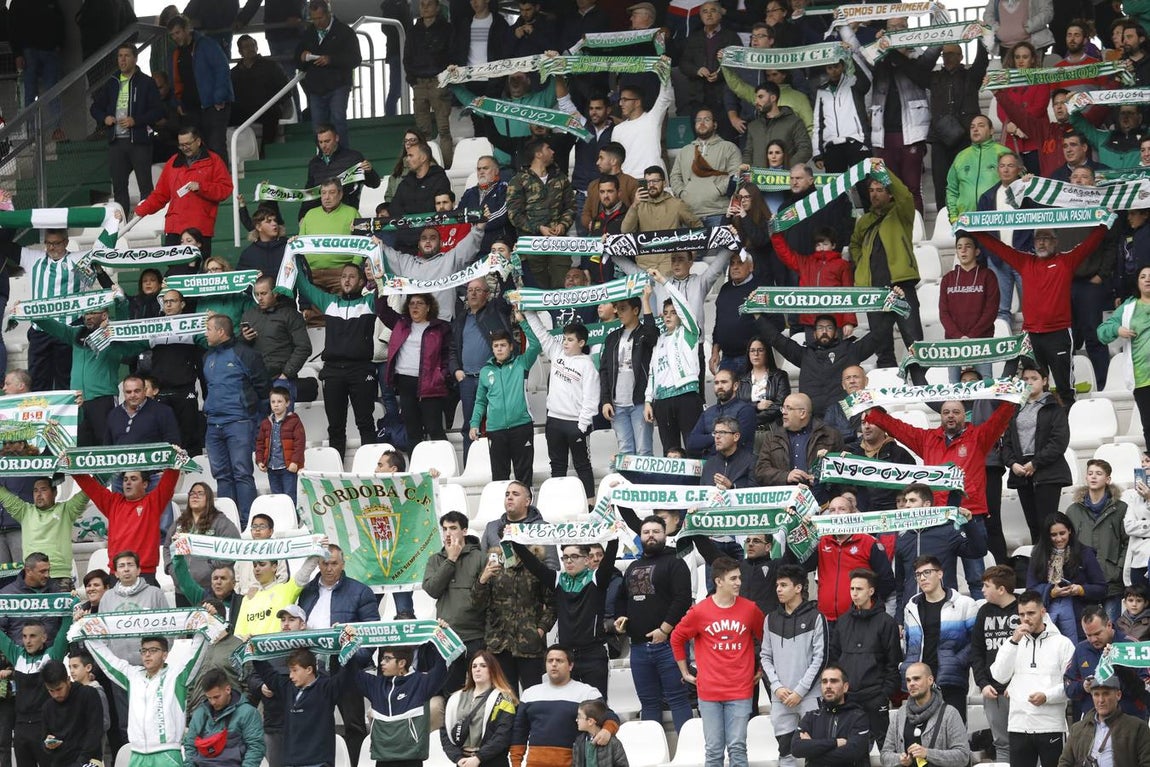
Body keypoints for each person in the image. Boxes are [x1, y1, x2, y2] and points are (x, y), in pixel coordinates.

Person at [864, 400, 1016, 585]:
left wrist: (1011, 399)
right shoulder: (927, 439)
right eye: (945, 412)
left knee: (976, 577)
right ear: (941, 416)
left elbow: (999, 421)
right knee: (939, 576)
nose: (950, 415)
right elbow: (899, 429)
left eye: (955, 412)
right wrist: (873, 413)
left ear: (964, 415)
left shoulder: (978, 437)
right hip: (937, 518)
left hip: (969, 515)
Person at [669, 555, 764, 767]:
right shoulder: (699, 611)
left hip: (740, 688)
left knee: (738, 747)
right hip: (709, 691)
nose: (739, 582)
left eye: (739, 577)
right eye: (733, 578)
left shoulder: (750, 609)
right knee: (713, 750)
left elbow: (766, 640)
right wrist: (684, 672)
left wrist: (762, 668)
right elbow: (676, 638)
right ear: (719, 581)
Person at [297, 545, 379, 764]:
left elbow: (371, 633)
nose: (329, 568)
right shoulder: (307, 591)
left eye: (334, 563)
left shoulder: (360, 591)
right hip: (313, 668)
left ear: (343, 564)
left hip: (346, 667)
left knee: (353, 725)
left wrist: (354, 659)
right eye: (324, 563)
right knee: (316, 724)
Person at [511, 538, 619, 699]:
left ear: (587, 559)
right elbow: (533, 564)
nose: (569, 561)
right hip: (567, 656)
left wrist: (614, 536)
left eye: (574, 557)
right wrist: (514, 540)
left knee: (597, 707)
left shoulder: (597, 578)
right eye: (565, 557)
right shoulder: (558, 580)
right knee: (569, 707)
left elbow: (610, 556)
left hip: (593, 654)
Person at [614, 514, 694, 731]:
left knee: (678, 700)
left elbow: (683, 599)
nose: (651, 536)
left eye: (656, 532)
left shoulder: (675, 562)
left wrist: (664, 630)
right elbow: (622, 596)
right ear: (640, 536)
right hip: (638, 647)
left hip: (669, 645)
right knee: (648, 703)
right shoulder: (632, 567)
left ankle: (687, 754)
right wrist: (621, 616)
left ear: (665, 534)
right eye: (646, 532)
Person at [87, 632, 213, 767]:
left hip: (167, 753)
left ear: (165, 654)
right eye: (144, 651)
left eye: (153, 650)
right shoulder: (133, 676)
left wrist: (204, 625)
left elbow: (196, 653)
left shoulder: (176, 675)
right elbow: (108, 660)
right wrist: (86, 633)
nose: (147, 654)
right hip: (138, 754)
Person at [292, 263, 378, 456]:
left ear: (362, 282)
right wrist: (294, 254)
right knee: (335, 426)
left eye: (352, 277)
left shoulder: (370, 302)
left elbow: (388, 287)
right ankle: (336, 470)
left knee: (365, 422)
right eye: (343, 276)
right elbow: (302, 283)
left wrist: (378, 273)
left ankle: (371, 467)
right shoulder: (329, 302)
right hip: (333, 371)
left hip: (361, 370)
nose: (347, 280)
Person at [989, 590, 1075, 767]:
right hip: (1018, 725)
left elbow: (1072, 684)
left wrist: (1047, 696)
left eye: (1031, 613)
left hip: (1051, 725)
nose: (1026, 618)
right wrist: (1013, 642)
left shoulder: (1062, 643)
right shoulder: (1013, 642)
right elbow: (999, 676)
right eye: (1021, 614)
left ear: (1043, 612)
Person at [849, 169, 923, 368]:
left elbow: (905, 194)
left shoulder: (901, 212)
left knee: (915, 344)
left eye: (880, 189)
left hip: (901, 286)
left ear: (889, 193)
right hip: (874, 291)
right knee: (882, 349)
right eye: (871, 190)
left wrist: (883, 171)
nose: (874, 194)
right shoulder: (864, 221)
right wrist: (861, 262)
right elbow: (854, 244)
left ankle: (922, 388)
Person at [201, 314, 269, 525]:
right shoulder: (207, 357)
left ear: (221, 331)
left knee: (241, 472)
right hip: (213, 424)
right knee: (221, 474)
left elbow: (263, 387)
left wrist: (251, 414)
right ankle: (228, 523)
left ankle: (247, 522)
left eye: (209, 329)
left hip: (239, 421)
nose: (206, 333)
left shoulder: (245, 354)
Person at [523, 313, 598, 504]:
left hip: (575, 423)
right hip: (554, 421)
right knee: (557, 466)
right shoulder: (556, 353)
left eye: (570, 340)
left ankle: (590, 505)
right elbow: (541, 333)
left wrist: (582, 425)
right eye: (564, 339)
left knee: (582, 465)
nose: (565, 343)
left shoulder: (587, 365)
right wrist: (527, 312)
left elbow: (591, 398)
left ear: (581, 343)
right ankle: (558, 503)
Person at [509, 645, 620, 767]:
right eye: (550, 661)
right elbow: (519, 731)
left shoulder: (587, 693)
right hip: (535, 762)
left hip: (574, 762)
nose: (554, 664)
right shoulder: (529, 694)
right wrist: (515, 763)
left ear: (570, 665)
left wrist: (607, 730)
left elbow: (610, 716)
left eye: (559, 660)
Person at [828, 568, 903, 747]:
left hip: (875, 697)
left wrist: (884, 694)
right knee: (850, 750)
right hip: (848, 697)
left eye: (859, 589)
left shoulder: (886, 622)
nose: (854, 593)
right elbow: (834, 658)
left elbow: (893, 663)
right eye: (852, 589)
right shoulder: (843, 621)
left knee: (886, 749)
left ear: (871, 591)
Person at [251, 647, 362, 767]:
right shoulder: (288, 688)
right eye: (290, 671)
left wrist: (349, 647)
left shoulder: (327, 689)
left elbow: (347, 674)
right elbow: (267, 673)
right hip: (291, 762)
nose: (291, 676)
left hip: (319, 762)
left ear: (309, 669)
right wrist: (253, 652)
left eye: (295, 670)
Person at [761, 564, 826, 767]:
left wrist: (800, 691)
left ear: (798, 588)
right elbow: (765, 657)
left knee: (814, 753)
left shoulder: (816, 617)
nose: (778, 589)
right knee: (785, 754)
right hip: (780, 696)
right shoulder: (770, 619)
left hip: (809, 696)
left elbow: (820, 658)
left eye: (783, 585)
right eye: (777, 585)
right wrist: (777, 687)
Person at [135, 126, 233, 257]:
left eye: (188, 144)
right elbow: (160, 195)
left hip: (199, 228)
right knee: (174, 269)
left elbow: (225, 189)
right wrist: (141, 210)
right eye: (181, 145)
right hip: (174, 228)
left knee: (197, 269)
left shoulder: (214, 160)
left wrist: (201, 187)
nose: (185, 147)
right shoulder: (172, 162)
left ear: (198, 141)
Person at [900, 555, 978, 720]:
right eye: (918, 574)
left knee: (953, 731)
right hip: (920, 680)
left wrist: (957, 661)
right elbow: (908, 643)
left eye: (927, 572)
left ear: (940, 574)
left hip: (951, 678)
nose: (922, 578)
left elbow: (975, 642)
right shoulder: (911, 607)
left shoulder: (964, 604)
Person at [91, 44, 165, 214]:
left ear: (135, 58)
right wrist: (104, 118)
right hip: (116, 142)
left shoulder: (146, 82)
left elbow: (158, 111)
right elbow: (95, 108)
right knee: (119, 187)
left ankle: (147, 220)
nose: (122, 59)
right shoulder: (112, 82)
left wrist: (136, 120)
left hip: (139, 142)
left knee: (145, 186)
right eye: (119, 56)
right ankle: (121, 224)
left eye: (126, 56)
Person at [1003, 362, 1072, 543]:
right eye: (1025, 379)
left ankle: (1053, 567)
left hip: (1048, 471)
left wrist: (1035, 463)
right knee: (1033, 526)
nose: (1029, 382)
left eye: (1034, 378)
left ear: (1044, 380)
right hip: (1021, 472)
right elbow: (1007, 442)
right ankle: (1038, 569)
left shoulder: (1055, 408)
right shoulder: (1014, 408)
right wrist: (1012, 463)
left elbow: (1059, 442)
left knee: (1048, 526)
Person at [75, 469, 181, 586]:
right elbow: (88, 484)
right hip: (117, 575)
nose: (128, 482)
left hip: (145, 574)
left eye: (133, 479)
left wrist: (175, 460)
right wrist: (70, 464)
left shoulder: (153, 503)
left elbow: (170, 478)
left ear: (145, 484)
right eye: (125, 479)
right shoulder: (112, 503)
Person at [472, 545, 555, 695]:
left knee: (533, 696)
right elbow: (477, 605)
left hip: (529, 644)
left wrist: (541, 629)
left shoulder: (535, 565)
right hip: (500, 644)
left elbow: (552, 604)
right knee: (506, 698)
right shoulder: (494, 565)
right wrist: (483, 580)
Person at [892, 485, 986, 615]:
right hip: (912, 611)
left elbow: (978, 551)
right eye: (906, 500)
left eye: (912, 501)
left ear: (926, 504)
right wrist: (899, 617)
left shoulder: (947, 531)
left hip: (946, 610)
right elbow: (900, 584)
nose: (906, 505)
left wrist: (969, 523)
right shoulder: (902, 538)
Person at [423, 512, 488, 694]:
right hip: (447, 636)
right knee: (449, 690)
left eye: (453, 528)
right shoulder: (435, 560)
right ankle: (449, 724)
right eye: (444, 529)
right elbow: (432, 589)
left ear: (464, 531)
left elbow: (488, 598)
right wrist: (451, 559)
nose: (448, 533)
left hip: (476, 636)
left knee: (479, 690)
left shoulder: (480, 557)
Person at [470, 324, 540, 485]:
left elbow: (536, 345)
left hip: (521, 426)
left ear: (510, 347)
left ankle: (527, 509)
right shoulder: (485, 371)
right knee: (499, 477)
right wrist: (474, 423)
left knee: (524, 476)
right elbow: (480, 401)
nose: (499, 349)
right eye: (496, 346)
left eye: (503, 345)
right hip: (496, 430)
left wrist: (523, 322)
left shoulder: (521, 363)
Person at [377, 293, 451, 445]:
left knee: (434, 429)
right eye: (411, 303)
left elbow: (447, 355)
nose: (415, 306)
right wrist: (381, 288)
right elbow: (382, 310)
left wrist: (441, 375)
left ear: (428, 307)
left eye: (420, 303)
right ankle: (415, 468)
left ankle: (446, 466)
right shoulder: (400, 323)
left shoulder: (440, 327)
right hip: (405, 383)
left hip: (430, 384)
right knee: (412, 431)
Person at [1064, 459, 1129, 621]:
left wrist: (1118, 569)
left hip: (1111, 581)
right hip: (1083, 581)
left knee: (1110, 629)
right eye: (1090, 473)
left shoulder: (1120, 508)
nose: (1093, 477)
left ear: (1108, 479)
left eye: (1099, 474)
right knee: (1087, 632)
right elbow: (1066, 543)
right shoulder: (1073, 510)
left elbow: (1127, 543)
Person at [644, 273, 702, 452]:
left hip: (686, 396)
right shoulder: (659, 340)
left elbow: (684, 305)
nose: (668, 316)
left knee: (694, 447)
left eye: (673, 313)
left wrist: (663, 281)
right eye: (666, 313)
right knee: (670, 451)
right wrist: (648, 400)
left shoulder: (689, 333)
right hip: (662, 400)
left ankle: (699, 481)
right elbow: (653, 372)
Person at [1028, 512, 1107, 641]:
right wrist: (1051, 592)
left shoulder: (1085, 553)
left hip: (1080, 618)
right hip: (1048, 619)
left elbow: (1102, 588)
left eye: (1062, 533)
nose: (1059, 539)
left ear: (1070, 531)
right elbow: (1030, 591)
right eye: (1053, 535)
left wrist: (1081, 590)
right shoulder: (1038, 555)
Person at [165, 15, 233, 161]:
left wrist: (219, 97)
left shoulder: (206, 44)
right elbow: (174, 81)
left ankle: (222, 182)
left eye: (177, 32)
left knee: (216, 146)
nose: (175, 37)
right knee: (198, 150)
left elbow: (222, 69)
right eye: (172, 35)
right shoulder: (175, 53)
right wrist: (178, 103)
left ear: (187, 29)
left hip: (213, 105)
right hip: (191, 108)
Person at [295, 0, 361, 148]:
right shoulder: (308, 33)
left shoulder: (345, 32)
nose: (317, 22)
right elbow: (297, 60)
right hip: (316, 88)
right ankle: (324, 159)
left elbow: (355, 58)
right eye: (313, 19)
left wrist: (331, 59)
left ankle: (343, 155)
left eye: (320, 18)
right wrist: (302, 56)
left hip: (338, 85)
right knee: (318, 126)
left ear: (328, 14)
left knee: (338, 119)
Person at [1064, 606, 1149, 720]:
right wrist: (1083, 687)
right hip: (1093, 724)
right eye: (1088, 635)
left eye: (1097, 633)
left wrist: (1115, 678)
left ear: (1109, 625)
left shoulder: (1131, 645)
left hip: (1129, 722)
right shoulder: (1081, 649)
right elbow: (1068, 686)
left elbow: (1146, 688)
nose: (1093, 639)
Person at [769, 229, 857, 339]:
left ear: (833, 245)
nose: (821, 248)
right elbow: (785, 254)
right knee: (811, 355)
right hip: (811, 322)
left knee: (836, 355)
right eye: (818, 245)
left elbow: (849, 293)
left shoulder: (842, 265)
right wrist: (775, 234)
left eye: (825, 244)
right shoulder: (806, 263)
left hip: (835, 322)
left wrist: (849, 322)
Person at [879, 662, 971, 767]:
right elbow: (885, 755)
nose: (911, 684)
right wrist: (899, 759)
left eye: (916, 679)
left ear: (930, 680)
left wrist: (928, 754)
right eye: (908, 680)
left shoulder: (949, 713)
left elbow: (963, 756)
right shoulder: (900, 714)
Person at [599, 291, 658, 456]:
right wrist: (605, 401)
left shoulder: (644, 333)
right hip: (617, 404)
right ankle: (629, 483)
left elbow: (652, 335)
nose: (618, 312)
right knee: (625, 452)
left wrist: (646, 300)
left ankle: (645, 482)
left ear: (636, 310)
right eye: (617, 308)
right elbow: (604, 372)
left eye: (623, 308)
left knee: (644, 451)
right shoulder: (612, 338)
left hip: (640, 402)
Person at [1099, 265, 1150, 452]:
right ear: (1137, 282)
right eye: (1143, 276)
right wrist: (1117, 329)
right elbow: (1102, 332)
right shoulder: (1129, 306)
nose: (1147, 279)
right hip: (1143, 378)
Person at [972, 565, 1020, 763]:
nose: (982, 590)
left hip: (1019, 690)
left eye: (986, 585)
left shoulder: (1022, 609)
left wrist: (1017, 685)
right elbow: (976, 651)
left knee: (1026, 742)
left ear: (1001, 589)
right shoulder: (984, 611)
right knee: (1001, 743)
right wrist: (983, 684)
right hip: (992, 691)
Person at [753, 392, 844, 497]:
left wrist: (822, 478)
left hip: (822, 500)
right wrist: (786, 476)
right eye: (783, 408)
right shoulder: (772, 437)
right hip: (785, 500)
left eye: (789, 408)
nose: (784, 413)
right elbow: (760, 471)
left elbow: (842, 469)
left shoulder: (830, 435)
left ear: (802, 413)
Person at [0, 484, 89, 587]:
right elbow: (5, 496)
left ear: (55, 492)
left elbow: (87, 491)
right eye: (35, 491)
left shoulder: (66, 510)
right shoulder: (24, 511)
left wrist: (102, 478)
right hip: (32, 579)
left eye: (43, 490)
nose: (39, 494)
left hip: (59, 577)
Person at [938, 233, 1000, 379]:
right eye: (959, 247)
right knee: (955, 387)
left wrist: (971, 336)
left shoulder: (988, 276)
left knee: (985, 385)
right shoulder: (948, 279)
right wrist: (959, 337)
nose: (963, 250)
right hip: (954, 343)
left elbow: (991, 311)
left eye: (968, 246)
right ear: (957, 252)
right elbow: (943, 313)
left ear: (977, 251)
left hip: (981, 342)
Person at [441, 650, 518, 767]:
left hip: (492, 761)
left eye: (483, 666)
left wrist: (479, 758)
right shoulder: (455, 698)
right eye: (474, 666)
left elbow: (503, 735)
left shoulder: (504, 698)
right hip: (463, 762)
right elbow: (445, 732)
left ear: (492, 670)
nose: (477, 669)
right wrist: (458, 758)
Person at [619, 168, 701, 274]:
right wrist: (634, 205)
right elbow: (625, 231)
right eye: (647, 182)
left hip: (670, 267)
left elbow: (698, 228)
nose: (651, 185)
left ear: (664, 182)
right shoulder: (639, 205)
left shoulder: (676, 204)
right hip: (645, 267)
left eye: (655, 181)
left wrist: (691, 254)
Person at [668, 107, 742, 225]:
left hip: (718, 212)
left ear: (715, 125)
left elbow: (737, 175)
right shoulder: (685, 151)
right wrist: (683, 193)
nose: (701, 123)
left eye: (707, 120)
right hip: (689, 215)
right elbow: (674, 176)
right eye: (698, 120)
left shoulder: (729, 148)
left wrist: (717, 189)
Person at [1059, 673, 1150, 767]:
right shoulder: (1077, 729)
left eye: (1106, 694)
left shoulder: (1137, 727)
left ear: (1118, 695)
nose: (1101, 700)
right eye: (1096, 695)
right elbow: (1065, 762)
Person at [405, 0, 454, 169]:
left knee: (443, 129)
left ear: (437, 7)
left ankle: (447, 167)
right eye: (422, 4)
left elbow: (451, 53)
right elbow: (407, 57)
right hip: (419, 82)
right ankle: (425, 166)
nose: (425, 8)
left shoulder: (446, 29)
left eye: (429, 4)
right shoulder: (413, 31)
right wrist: (412, 79)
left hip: (438, 80)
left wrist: (445, 77)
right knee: (423, 131)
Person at [239, 277, 311, 392]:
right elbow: (240, 349)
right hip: (255, 380)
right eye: (257, 294)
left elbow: (304, 347)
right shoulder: (248, 316)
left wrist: (287, 374)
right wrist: (244, 339)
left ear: (275, 293)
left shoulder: (291, 315)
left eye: (263, 293)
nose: (259, 298)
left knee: (283, 411)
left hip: (282, 379)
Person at [790, 665, 871, 767]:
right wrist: (835, 742)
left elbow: (851, 754)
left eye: (833, 681)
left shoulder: (858, 717)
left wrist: (813, 752)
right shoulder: (811, 716)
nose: (828, 686)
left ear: (845, 687)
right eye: (824, 681)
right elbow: (796, 748)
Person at [183, 667, 265, 767]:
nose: (213, 702)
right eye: (209, 698)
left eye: (216, 697)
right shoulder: (200, 713)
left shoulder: (248, 713)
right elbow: (190, 745)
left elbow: (256, 748)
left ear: (228, 689)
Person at [946, 115, 1010, 222]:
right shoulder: (961, 156)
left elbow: (1017, 184)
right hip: (966, 220)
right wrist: (953, 217)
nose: (975, 129)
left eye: (981, 126)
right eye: (972, 127)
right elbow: (952, 189)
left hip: (996, 219)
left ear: (991, 131)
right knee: (963, 240)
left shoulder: (1004, 153)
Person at [41, 659, 104, 767]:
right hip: (60, 760)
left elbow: (94, 733)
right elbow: (45, 738)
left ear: (68, 680)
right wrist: (48, 745)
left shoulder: (88, 694)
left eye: (59, 689)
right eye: (51, 691)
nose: (56, 695)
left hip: (89, 760)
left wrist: (80, 762)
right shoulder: (47, 707)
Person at [741, 81, 812, 167]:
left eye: (760, 97)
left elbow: (805, 149)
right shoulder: (753, 126)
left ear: (773, 98)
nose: (756, 101)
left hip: (784, 179)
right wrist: (746, 167)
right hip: (758, 179)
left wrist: (787, 168)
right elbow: (748, 152)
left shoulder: (794, 122)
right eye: (756, 98)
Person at [255, 387, 305, 504]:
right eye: (273, 402)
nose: (276, 405)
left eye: (279, 401)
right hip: (272, 468)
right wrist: (259, 460)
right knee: (277, 497)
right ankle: (280, 519)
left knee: (290, 496)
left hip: (288, 468)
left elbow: (300, 444)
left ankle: (294, 520)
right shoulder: (266, 423)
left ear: (287, 403)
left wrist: (295, 462)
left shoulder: (294, 421)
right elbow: (260, 443)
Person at [0, 554, 63, 644]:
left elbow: (66, 624)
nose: (47, 575)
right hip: (19, 654)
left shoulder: (56, 590)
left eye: (48, 570)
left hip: (53, 654)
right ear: (28, 571)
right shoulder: (6, 595)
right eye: (42, 571)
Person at [572, 699, 627, 767]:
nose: (576, 720)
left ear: (590, 721)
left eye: (579, 717)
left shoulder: (613, 743)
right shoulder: (579, 741)